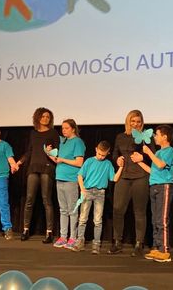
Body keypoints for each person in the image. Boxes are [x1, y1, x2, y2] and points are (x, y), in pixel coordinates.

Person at [108, 109, 152, 256]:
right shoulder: (120, 137)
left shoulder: (145, 138)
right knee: (117, 209)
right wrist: (117, 159)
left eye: (138, 122)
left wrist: (142, 158)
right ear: (128, 121)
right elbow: (115, 153)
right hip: (124, 177)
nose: (135, 124)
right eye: (133, 121)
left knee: (139, 211)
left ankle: (139, 244)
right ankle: (117, 242)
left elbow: (153, 155)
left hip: (140, 176)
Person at [135, 124, 173, 263]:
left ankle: (164, 250)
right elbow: (153, 170)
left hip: (164, 186)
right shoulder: (158, 153)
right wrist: (140, 162)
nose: (154, 137)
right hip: (154, 186)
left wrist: (148, 153)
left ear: (165, 137)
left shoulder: (169, 151)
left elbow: (160, 165)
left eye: (157, 135)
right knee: (155, 220)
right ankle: (157, 247)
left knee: (162, 220)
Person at [18, 107, 60, 243]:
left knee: (46, 199)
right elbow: (29, 151)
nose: (46, 119)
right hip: (33, 167)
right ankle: (25, 229)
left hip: (47, 168)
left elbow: (57, 151)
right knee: (29, 199)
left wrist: (51, 151)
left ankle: (49, 232)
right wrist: (19, 162)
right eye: (43, 116)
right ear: (38, 118)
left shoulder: (53, 133)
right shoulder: (33, 133)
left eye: (48, 117)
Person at [73, 140, 122, 254]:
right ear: (96, 149)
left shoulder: (108, 164)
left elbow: (114, 178)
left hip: (100, 193)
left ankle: (96, 244)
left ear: (108, 153)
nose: (100, 157)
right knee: (83, 219)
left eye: (103, 155)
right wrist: (82, 188)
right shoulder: (89, 161)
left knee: (98, 220)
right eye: (99, 154)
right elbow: (80, 175)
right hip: (87, 191)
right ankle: (80, 242)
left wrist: (121, 167)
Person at [47, 119, 85, 250]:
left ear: (73, 129)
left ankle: (73, 237)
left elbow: (79, 162)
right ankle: (63, 236)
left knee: (72, 210)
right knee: (63, 210)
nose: (63, 130)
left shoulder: (78, 142)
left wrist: (62, 159)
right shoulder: (63, 142)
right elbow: (58, 160)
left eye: (66, 128)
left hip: (71, 179)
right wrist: (49, 153)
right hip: (60, 178)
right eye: (62, 128)